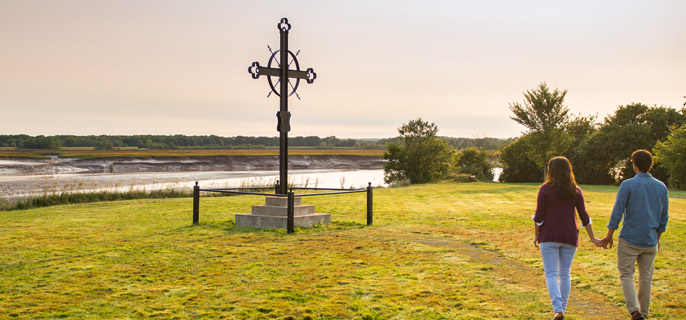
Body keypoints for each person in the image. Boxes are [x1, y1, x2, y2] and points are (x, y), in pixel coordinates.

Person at [601, 150, 669, 320]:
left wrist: (609, 234)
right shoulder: (661, 187)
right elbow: (664, 216)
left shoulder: (628, 185)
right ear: (650, 165)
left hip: (629, 239)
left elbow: (618, 211)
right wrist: (657, 239)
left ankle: (635, 310)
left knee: (626, 274)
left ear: (634, 164)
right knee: (646, 277)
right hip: (650, 239)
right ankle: (643, 313)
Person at [533, 156, 601, 320]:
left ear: (551, 171)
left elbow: (539, 217)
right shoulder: (575, 190)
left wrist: (536, 235)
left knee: (550, 274)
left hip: (549, 236)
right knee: (565, 273)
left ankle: (558, 310)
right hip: (570, 236)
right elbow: (584, 217)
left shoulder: (545, 189)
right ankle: (562, 308)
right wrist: (593, 237)